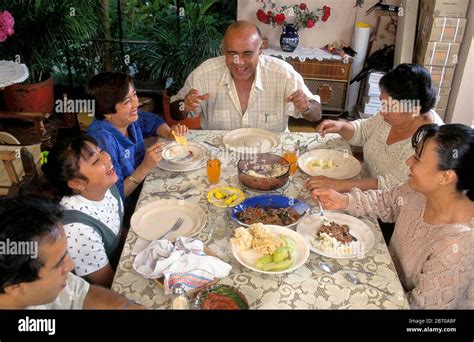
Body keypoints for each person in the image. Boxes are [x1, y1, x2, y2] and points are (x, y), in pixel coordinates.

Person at [312, 124, 474, 309]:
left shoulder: (457, 245)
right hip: (387, 278)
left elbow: (420, 309)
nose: (408, 162)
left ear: (445, 177)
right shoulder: (420, 191)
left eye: (418, 159)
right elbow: (387, 201)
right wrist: (343, 200)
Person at [305, 63, 444, 193]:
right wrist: (341, 126)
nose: (383, 111)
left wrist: (340, 185)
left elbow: (394, 186)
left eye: (389, 107)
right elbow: (364, 131)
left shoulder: (430, 142)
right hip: (360, 185)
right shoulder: (390, 115)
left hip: (386, 208)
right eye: (383, 104)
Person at [169, 21, 322, 132]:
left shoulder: (283, 73)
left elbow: (316, 114)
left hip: (271, 156)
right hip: (219, 154)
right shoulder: (204, 73)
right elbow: (174, 111)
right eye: (232, 53)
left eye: (247, 54)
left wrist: (306, 107)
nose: (239, 62)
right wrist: (185, 106)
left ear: (261, 49)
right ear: (222, 48)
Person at [0, 195, 144, 309]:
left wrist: (127, 307)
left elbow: (80, 293)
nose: (70, 266)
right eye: (58, 264)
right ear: (15, 287)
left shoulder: (39, 280)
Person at [85, 72, 189, 204]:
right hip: (130, 206)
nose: (136, 103)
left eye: (134, 95)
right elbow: (114, 197)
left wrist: (169, 133)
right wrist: (145, 167)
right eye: (127, 101)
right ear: (107, 112)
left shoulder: (127, 119)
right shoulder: (101, 141)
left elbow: (154, 121)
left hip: (145, 184)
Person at [43, 135, 123, 288]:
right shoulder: (76, 229)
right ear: (76, 183)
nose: (107, 158)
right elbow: (110, 284)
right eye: (96, 161)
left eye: (101, 151)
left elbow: (119, 228)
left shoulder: (104, 186)